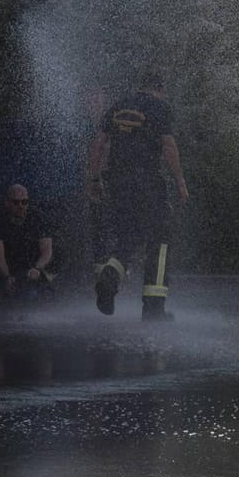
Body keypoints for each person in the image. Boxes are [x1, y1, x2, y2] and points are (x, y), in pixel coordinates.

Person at [88, 70, 189, 320]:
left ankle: (110, 274)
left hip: (117, 182)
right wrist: (180, 182)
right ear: (160, 89)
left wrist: (94, 179)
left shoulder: (119, 106)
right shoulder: (159, 107)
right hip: (147, 182)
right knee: (160, 235)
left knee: (130, 234)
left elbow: (99, 143)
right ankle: (154, 308)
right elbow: (168, 145)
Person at [0, 184, 55, 299]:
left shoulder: (38, 218)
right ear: (7, 203)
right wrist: (7, 277)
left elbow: (47, 251)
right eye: (16, 202)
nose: (21, 206)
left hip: (29, 266)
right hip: (6, 266)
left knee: (33, 295)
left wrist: (37, 268)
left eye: (24, 202)